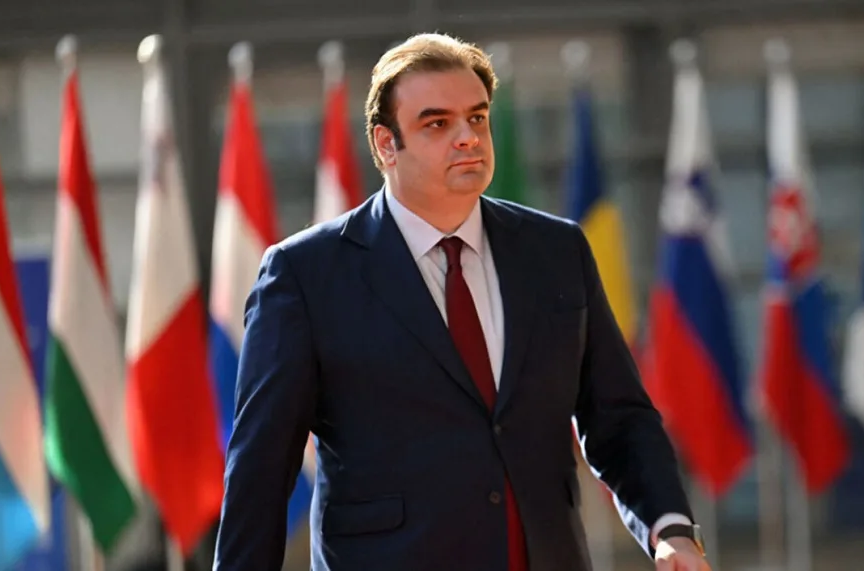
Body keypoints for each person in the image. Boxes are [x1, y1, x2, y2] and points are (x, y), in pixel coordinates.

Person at [213, 32, 711, 571]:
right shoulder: (305, 275)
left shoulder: (557, 251)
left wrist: (670, 530)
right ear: (386, 145)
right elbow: (262, 469)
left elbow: (619, 418)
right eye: (437, 124)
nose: (468, 137)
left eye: (477, 118)